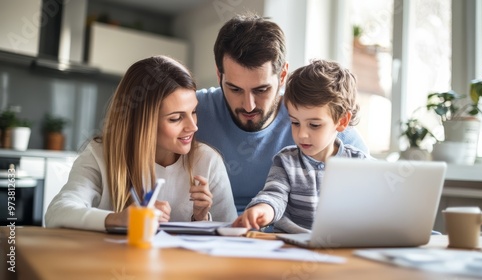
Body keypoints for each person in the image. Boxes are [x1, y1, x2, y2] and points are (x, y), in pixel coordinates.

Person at [195, 13, 370, 213]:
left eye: (261, 90)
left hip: (288, 238)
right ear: (219, 75)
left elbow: (372, 190)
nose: (249, 105)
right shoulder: (191, 111)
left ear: (283, 75)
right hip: (215, 234)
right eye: (235, 89)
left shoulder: (318, 117)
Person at [45, 56, 237, 232]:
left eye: (193, 111)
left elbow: (231, 236)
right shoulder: (101, 154)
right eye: (176, 118)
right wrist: (120, 219)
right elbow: (57, 213)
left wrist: (200, 218)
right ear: (142, 122)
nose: (193, 126)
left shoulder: (208, 161)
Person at [232, 60, 369, 233]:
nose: (301, 134)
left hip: (340, 249)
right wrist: (262, 210)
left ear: (341, 121)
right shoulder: (286, 161)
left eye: (314, 125)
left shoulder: (361, 164)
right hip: (290, 247)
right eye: (295, 123)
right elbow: (274, 195)